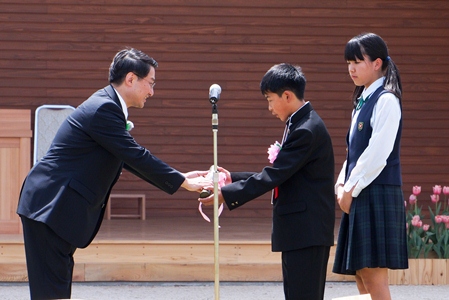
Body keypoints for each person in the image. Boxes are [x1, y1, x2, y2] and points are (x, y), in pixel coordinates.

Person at [17, 48, 212, 300]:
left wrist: (179, 175)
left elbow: (125, 155)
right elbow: (134, 154)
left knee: (55, 287)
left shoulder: (107, 105)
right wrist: (184, 182)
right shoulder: (103, 108)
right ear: (131, 79)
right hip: (49, 206)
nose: (152, 92)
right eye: (150, 84)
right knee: (51, 292)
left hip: (55, 208)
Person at [200, 63, 335, 300]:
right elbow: (281, 172)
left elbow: (274, 175)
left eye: (270, 99)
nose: (269, 107)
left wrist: (227, 193)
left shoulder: (306, 129)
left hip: (307, 231)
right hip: (301, 232)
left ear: (287, 95)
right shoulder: (299, 123)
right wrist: (233, 177)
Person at [332, 33, 408, 300]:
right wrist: (341, 184)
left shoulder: (387, 100)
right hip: (361, 192)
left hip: (376, 192)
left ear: (377, 63)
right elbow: (353, 153)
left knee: (374, 278)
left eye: (357, 62)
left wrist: (350, 188)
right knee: (363, 277)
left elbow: (378, 153)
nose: (351, 68)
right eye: (348, 62)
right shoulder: (361, 100)